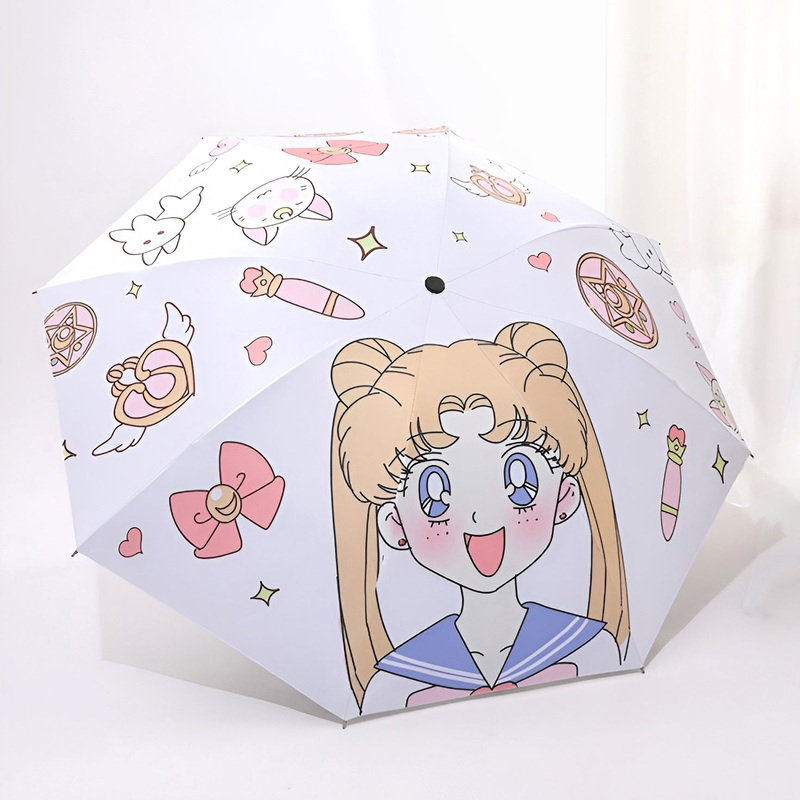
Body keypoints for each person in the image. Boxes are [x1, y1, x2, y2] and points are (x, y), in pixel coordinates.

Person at [330, 321, 629, 715]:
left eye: (520, 482)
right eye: (435, 496)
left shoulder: (591, 649)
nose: (480, 516)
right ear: (394, 524)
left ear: (564, 497)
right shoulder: (395, 685)